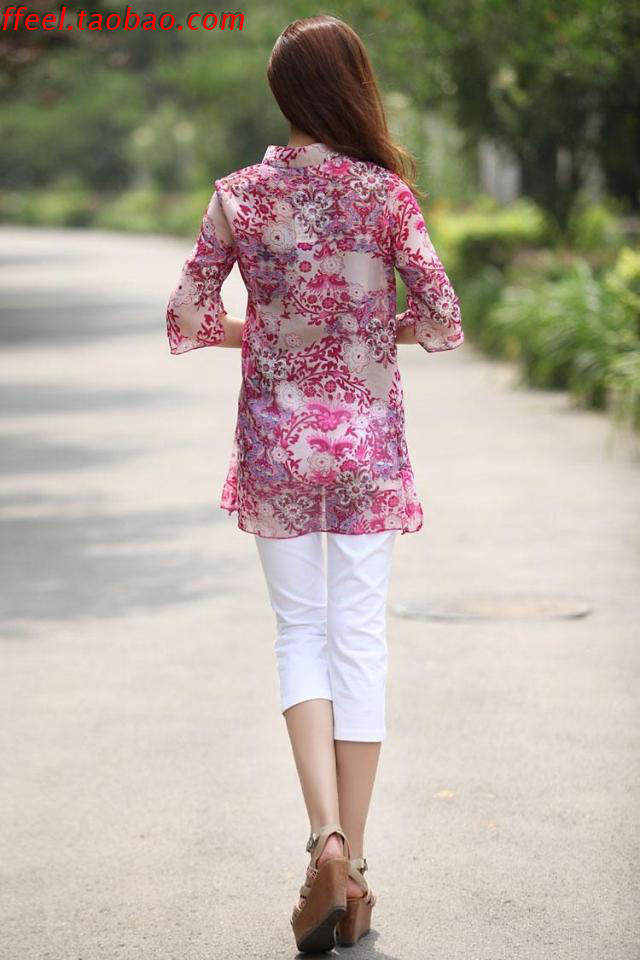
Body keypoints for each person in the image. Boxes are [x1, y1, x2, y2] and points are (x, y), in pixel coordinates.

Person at [165, 14, 463, 953]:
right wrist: (365, 330)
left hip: (277, 444)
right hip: (366, 444)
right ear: (354, 88)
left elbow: (189, 315)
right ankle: (356, 864)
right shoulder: (386, 195)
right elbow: (442, 316)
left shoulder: (239, 195)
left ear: (284, 95)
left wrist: (271, 332)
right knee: (359, 634)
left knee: (300, 631)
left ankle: (323, 841)